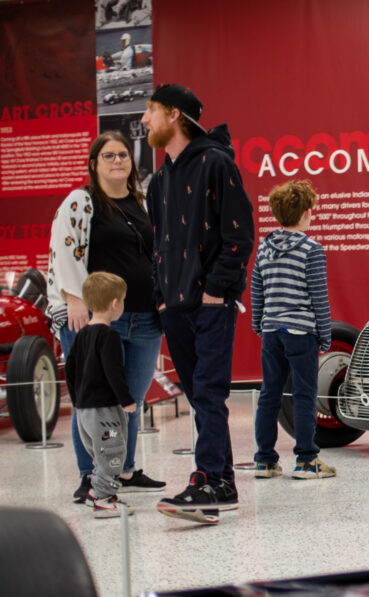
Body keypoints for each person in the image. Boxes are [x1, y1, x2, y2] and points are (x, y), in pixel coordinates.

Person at [141, 83, 254, 524]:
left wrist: (218, 290)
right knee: (198, 395)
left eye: (150, 111)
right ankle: (220, 482)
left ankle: (208, 481)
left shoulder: (216, 163)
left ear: (173, 114)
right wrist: (162, 299)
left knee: (208, 392)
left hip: (209, 304)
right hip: (175, 306)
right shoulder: (159, 179)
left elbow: (239, 234)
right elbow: (158, 246)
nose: (145, 120)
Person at [47, 130, 167, 503]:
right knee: (92, 400)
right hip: (94, 320)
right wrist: (73, 298)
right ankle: (90, 476)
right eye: (109, 155)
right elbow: (63, 250)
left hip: (144, 318)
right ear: (94, 163)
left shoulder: (143, 201)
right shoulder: (80, 202)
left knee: (131, 399)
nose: (118, 160)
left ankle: (125, 469)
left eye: (124, 155)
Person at [251, 179, 335, 480]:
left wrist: (259, 322)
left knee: (269, 394)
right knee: (303, 394)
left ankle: (264, 460)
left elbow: (257, 288)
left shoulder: (264, 247)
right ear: (306, 213)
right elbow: (319, 296)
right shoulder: (311, 249)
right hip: (301, 333)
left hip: (272, 331)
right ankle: (306, 460)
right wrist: (325, 334)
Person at [63, 272, 138, 519]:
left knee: (99, 453)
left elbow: (70, 370)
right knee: (113, 450)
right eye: (123, 300)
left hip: (84, 410)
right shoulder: (109, 336)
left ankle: (97, 492)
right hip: (105, 409)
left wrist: (77, 401)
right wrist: (126, 400)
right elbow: (113, 372)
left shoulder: (82, 335)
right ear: (114, 303)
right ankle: (104, 499)